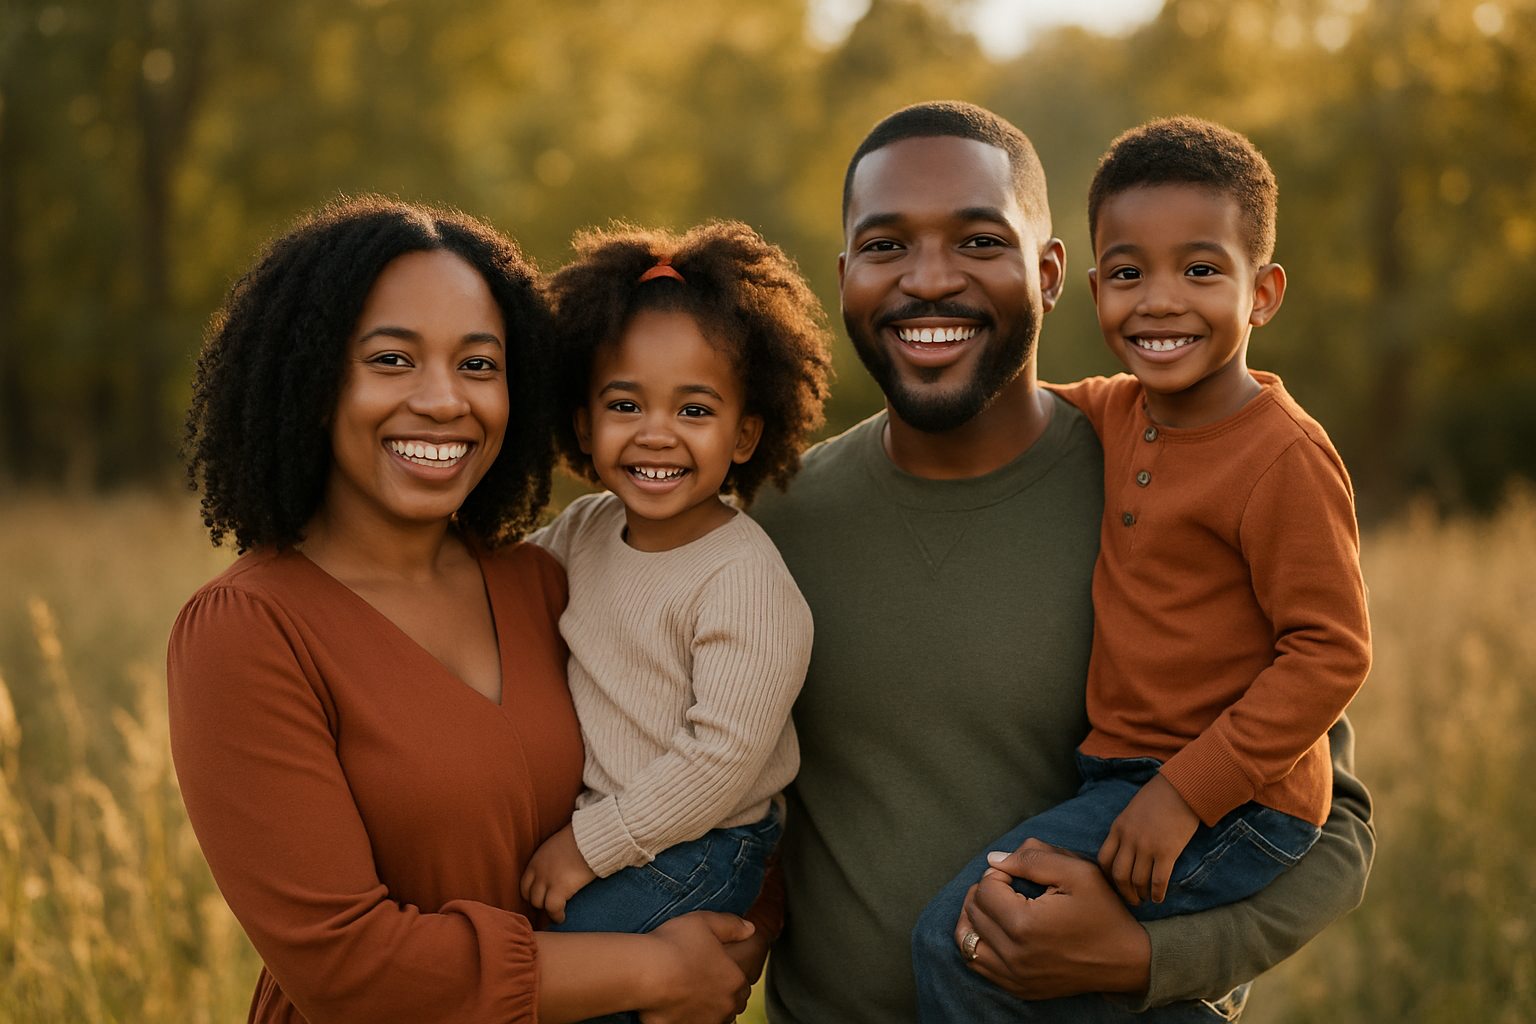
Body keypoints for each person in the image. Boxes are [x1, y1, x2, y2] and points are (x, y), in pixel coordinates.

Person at [748, 101, 1374, 1024]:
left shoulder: (1156, 480)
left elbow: (1334, 825)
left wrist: (1146, 960)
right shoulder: (773, 523)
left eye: (978, 241)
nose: (930, 279)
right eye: (886, 246)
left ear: (1046, 276)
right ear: (846, 278)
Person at [168, 197, 764, 1024]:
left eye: (479, 365)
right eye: (392, 360)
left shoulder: (547, 582)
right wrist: (653, 972)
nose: (446, 401)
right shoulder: (249, 630)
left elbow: (721, 780)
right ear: (312, 380)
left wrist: (741, 937)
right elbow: (348, 970)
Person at [517, 225, 830, 979]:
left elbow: (717, 762)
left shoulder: (743, 580)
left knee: (553, 975)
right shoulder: (585, 529)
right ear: (584, 424)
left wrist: (587, 846)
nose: (657, 435)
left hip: (701, 846)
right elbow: (502, 586)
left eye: (694, 411)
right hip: (620, 830)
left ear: (744, 435)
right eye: (626, 406)